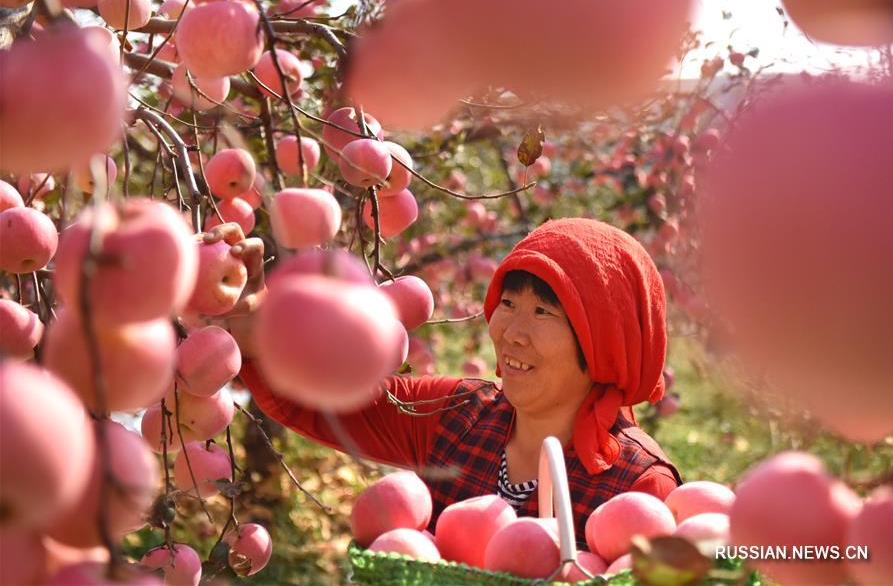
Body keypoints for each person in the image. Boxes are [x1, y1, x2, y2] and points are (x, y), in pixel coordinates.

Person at [211, 217, 681, 549]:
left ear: (604, 342)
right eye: (508, 303)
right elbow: (322, 400)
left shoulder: (639, 487)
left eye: (543, 312)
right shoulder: (460, 416)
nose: (511, 333)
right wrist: (254, 315)